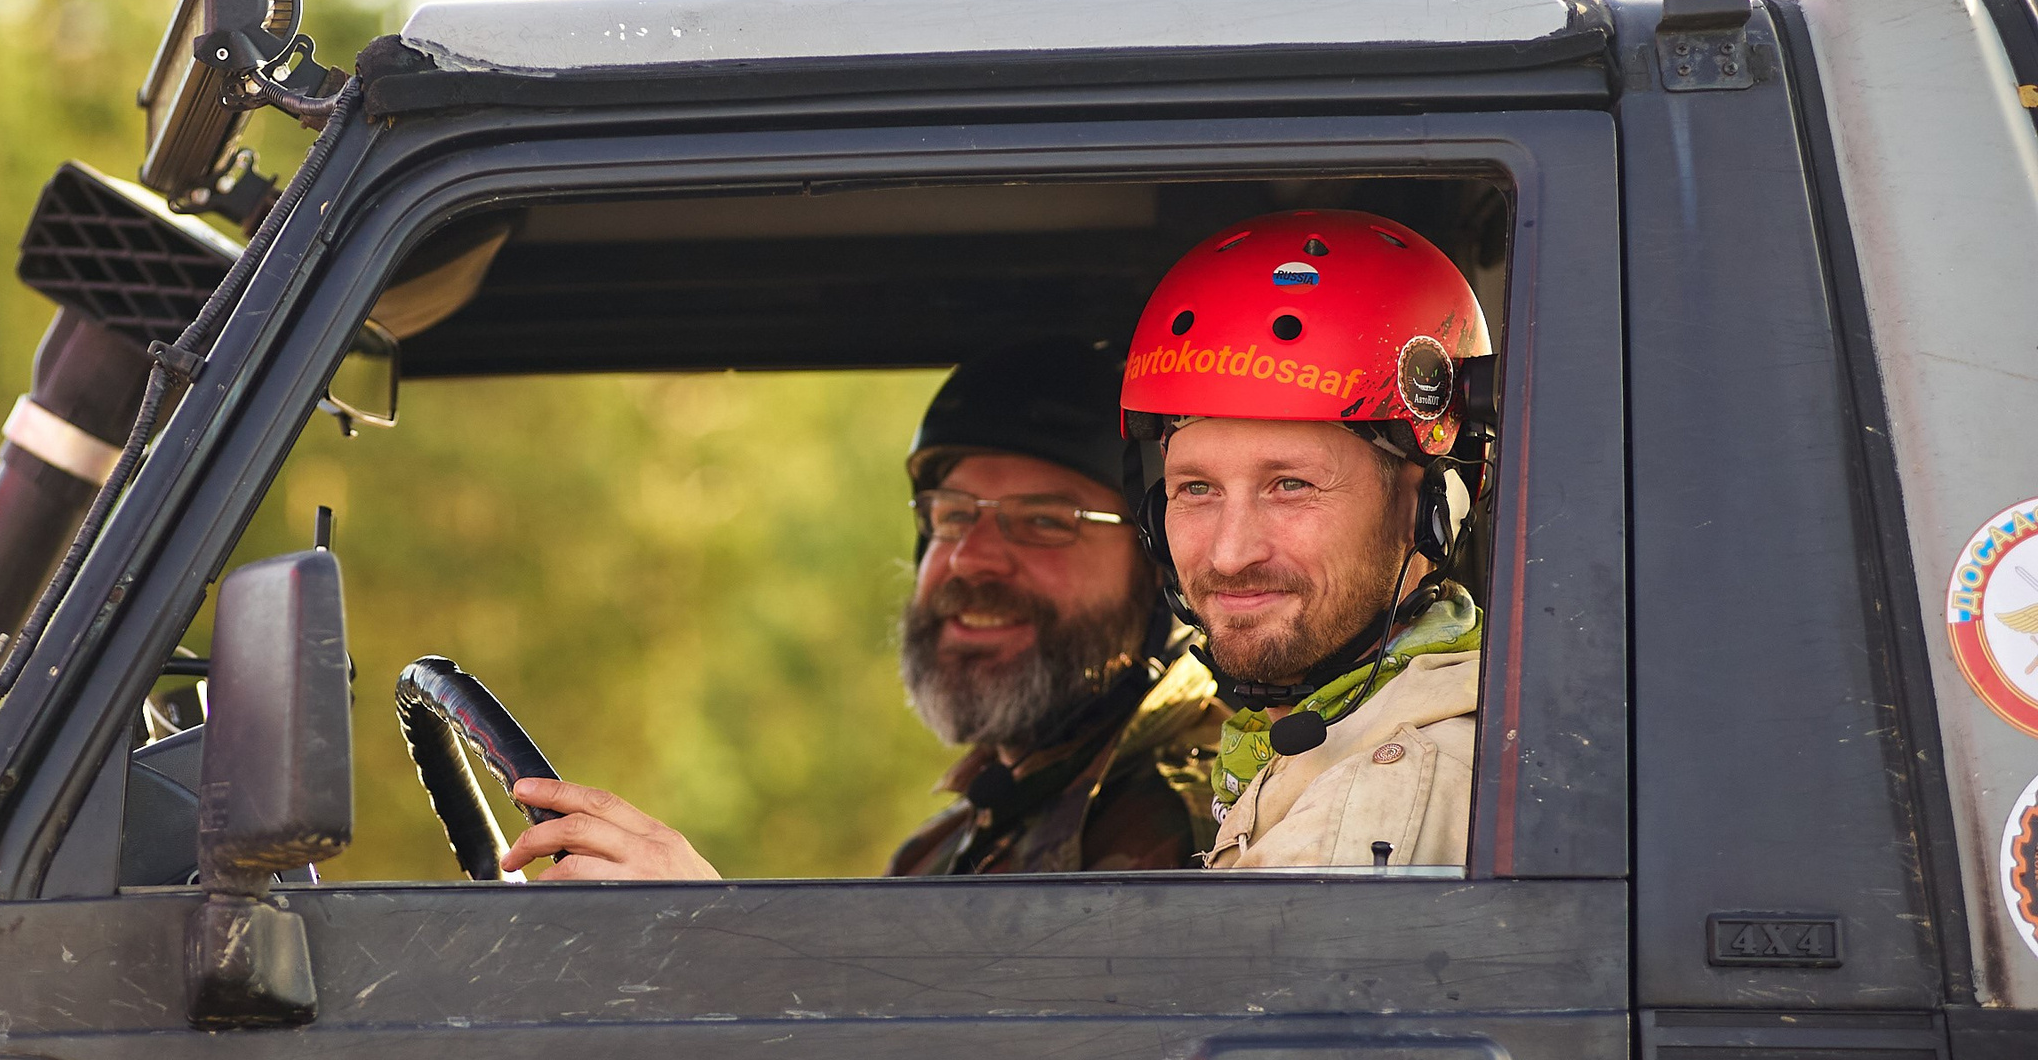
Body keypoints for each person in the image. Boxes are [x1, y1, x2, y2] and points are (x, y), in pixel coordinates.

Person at [500, 338, 1221, 880]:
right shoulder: (946, 849)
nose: (971, 557)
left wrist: (710, 943)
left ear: (1158, 563)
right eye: (951, 515)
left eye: (1043, 521)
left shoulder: (1201, 824)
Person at [1117, 208, 1488, 869]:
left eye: (1290, 485)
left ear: (1438, 500)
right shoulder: (1300, 745)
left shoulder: (1381, 801)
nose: (1231, 553)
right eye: (1195, 488)